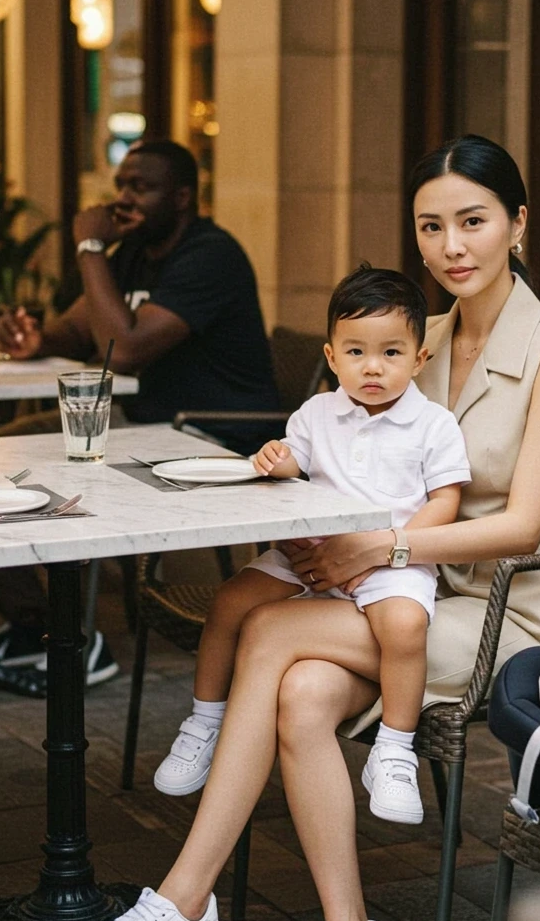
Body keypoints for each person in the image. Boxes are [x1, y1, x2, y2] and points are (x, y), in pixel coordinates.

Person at [52, 134, 540, 921]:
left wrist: (379, 550)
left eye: (473, 222)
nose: (452, 246)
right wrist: (313, 514)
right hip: (388, 593)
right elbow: (351, 459)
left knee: (268, 630)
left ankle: (182, 905)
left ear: (518, 224)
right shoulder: (416, 338)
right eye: (431, 226)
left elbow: (524, 526)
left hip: (502, 607)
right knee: (301, 691)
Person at [154, 265, 472, 827]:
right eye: (356, 352)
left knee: (404, 627)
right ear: (331, 356)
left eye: (391, 353)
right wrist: (276, 461)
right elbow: (292, 467)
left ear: (419, 358)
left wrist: (395, 548)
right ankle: (205, 720)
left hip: (392, 560)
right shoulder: (317, 413)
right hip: (309, 553)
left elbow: (445, 501)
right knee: (230, 601)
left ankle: (394, 749)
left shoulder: (434, 424)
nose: (372, 367)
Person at [0, 139, 280, 680]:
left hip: (210, 437)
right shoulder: (133, 253)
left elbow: (126, 348)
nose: (124, 199)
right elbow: (76, 328)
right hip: (143, 427)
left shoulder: (210, 255)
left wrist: (89, 247)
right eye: (121, 185)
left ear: (182, 197)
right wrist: (34, 339)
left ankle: (68, 639)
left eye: (141, 187)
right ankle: (42, 626)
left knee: (24, 469)